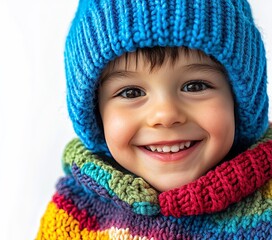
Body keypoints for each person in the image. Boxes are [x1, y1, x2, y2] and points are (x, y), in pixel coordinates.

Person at [37, 0, 272, 239]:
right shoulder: (73, 215)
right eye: (131, 92)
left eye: (195, 86)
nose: (166, 115)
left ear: (240, 101)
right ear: (96, 114)